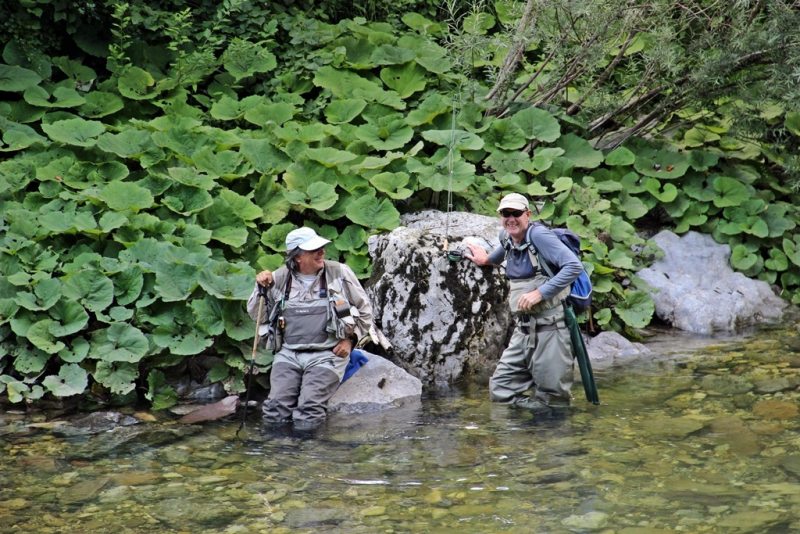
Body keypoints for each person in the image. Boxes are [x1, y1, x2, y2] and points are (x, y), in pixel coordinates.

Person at [465, 193, 583, 413]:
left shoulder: (539, 235)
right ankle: (528, 427)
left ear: (527, 214)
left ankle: (551, 426)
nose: (511, 218)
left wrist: (540, 293)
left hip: (552, 329)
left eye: (516, 213)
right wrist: (486, 260)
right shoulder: (507, 236)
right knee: (501, 390)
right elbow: (503, 251)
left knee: (553, 399)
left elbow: (574, 266)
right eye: (505, 213)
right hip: (523, 330)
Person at [247, 226, 372, 428]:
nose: (322, 252)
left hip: (328, 354)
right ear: (297, 256)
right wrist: (260, 287)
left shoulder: (339, 272)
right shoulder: (278, 278)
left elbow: (365, 311)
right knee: (275, 409)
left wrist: (350, 340)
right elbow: (257, 315)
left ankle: (309, 448)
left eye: (321, 247)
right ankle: (276, 447)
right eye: (314, 249)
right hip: (288, 354)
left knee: (309, 409)